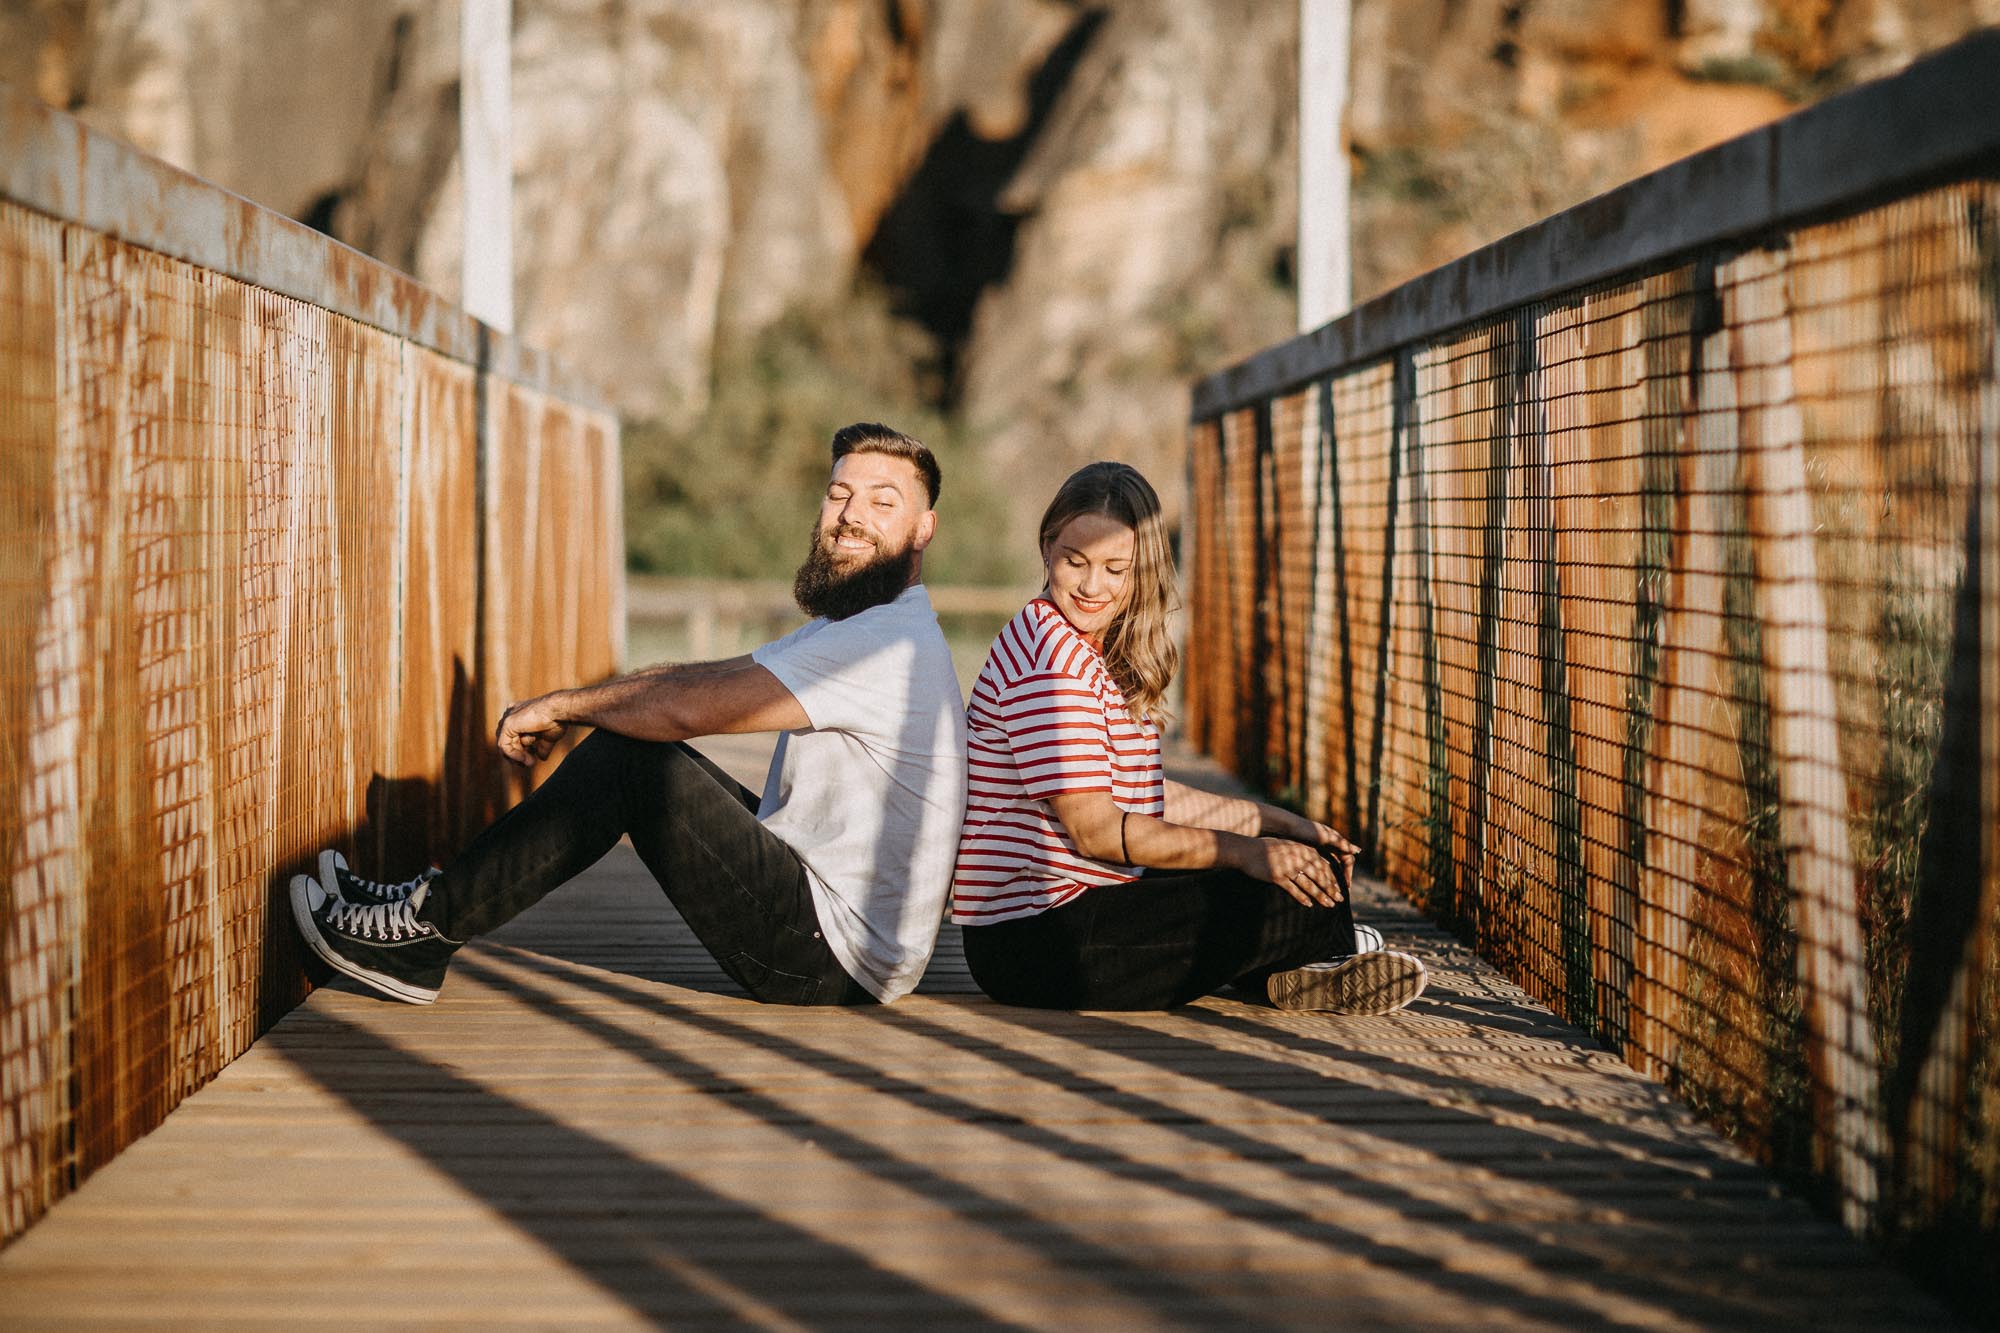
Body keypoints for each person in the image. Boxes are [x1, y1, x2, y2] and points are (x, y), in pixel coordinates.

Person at [290, 422, 968, 1007]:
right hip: (842, 927)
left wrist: (566, 706)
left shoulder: (886, 644)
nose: (851, 515)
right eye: (839, 494)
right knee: (642, 751)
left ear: (923, 528)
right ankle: (425, 907)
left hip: (832, 960)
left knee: (632, 764)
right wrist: (591, 704)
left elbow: (684, 707)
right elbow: (708, 676)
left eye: (884, 502)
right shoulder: (864, 622)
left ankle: (424, 932)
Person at [952, 461, 1427, 1013]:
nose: (1090, 585)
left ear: (1142, 572)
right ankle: (1317, 948)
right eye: (1074, 561)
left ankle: (1293, 969)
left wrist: (1272, 822)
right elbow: (1098, 831)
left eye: (1114, 568)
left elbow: (1142, 797)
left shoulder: (1087, 648)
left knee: (1302, 860)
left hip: (1089, 906)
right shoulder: (1050, 662)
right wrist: (1245, 852)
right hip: (1037, 941)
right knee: (1282, 896)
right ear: (1046, 549)